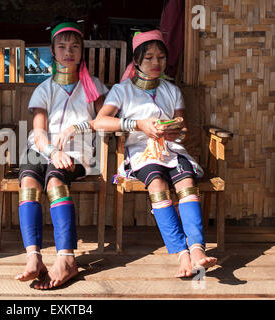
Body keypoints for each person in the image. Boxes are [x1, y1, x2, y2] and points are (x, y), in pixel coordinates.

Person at [93, 29, 217, 278]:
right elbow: (99, 121)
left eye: (161, 57)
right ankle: (181, 253)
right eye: (148, 57)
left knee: (187, 183)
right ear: (136, 61)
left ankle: (197, 250)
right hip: (142, 154)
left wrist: (175, 132)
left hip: (172, 151)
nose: (156, 63)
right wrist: (137, 125)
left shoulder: (173, 91)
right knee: (157, 184)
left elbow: (183, 127)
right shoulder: (122, 90)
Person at [15, 18, 108, 289]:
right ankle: (34, 258)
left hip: (78, 153)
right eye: (62, 46)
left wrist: (79, 126)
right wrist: (52, 150)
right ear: (52, 51)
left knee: (55, 182)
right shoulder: (44, 89)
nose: (68, 52)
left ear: (82, 52)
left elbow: (106, 119)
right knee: (29, 183)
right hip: (42, 148)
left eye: (75, 46)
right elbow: (39, 130)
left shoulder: (94, 87)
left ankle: (67, 258)